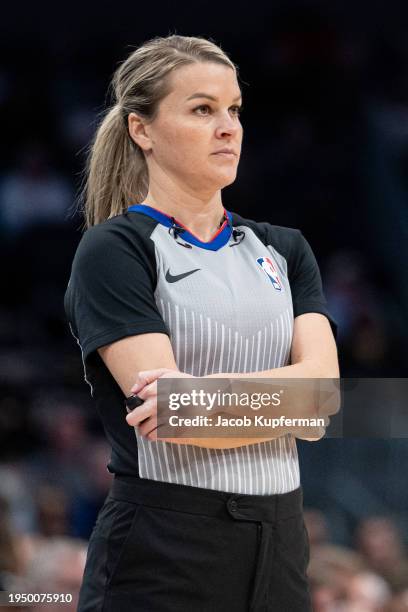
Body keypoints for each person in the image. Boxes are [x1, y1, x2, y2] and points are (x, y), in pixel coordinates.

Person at [64, 34, 339, 612]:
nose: (228, 127)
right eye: (202, 109)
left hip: (283, 542)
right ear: (142, 130)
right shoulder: (114, 248)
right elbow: (176, 416)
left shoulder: (285, 248)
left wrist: (212, 398)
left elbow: (323, 402)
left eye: (234, 109)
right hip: (164, 546)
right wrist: (289, 396)